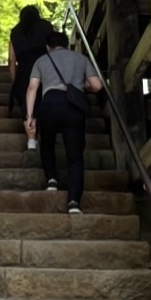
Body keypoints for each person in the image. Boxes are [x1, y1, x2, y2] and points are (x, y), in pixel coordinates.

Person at [25, 30, 103, 215]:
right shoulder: (80, 59)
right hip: (73, 106)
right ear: (67, 45)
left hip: (50, 103)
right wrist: (79, 84)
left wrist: (30, 116)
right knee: (75, 157)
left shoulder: (42, 61)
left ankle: (51, 180)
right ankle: (74, 202)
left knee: (47, 143)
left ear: (48, 46)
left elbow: (32, 87)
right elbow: (97, 86)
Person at [7, 4, 55, 118]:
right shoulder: (47, 27)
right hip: (44, 67)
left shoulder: (15, 32)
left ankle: (30, 126)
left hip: (24, 70)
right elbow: (54, 51)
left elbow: (11, 60)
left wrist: (14, 80)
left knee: (27, 100)